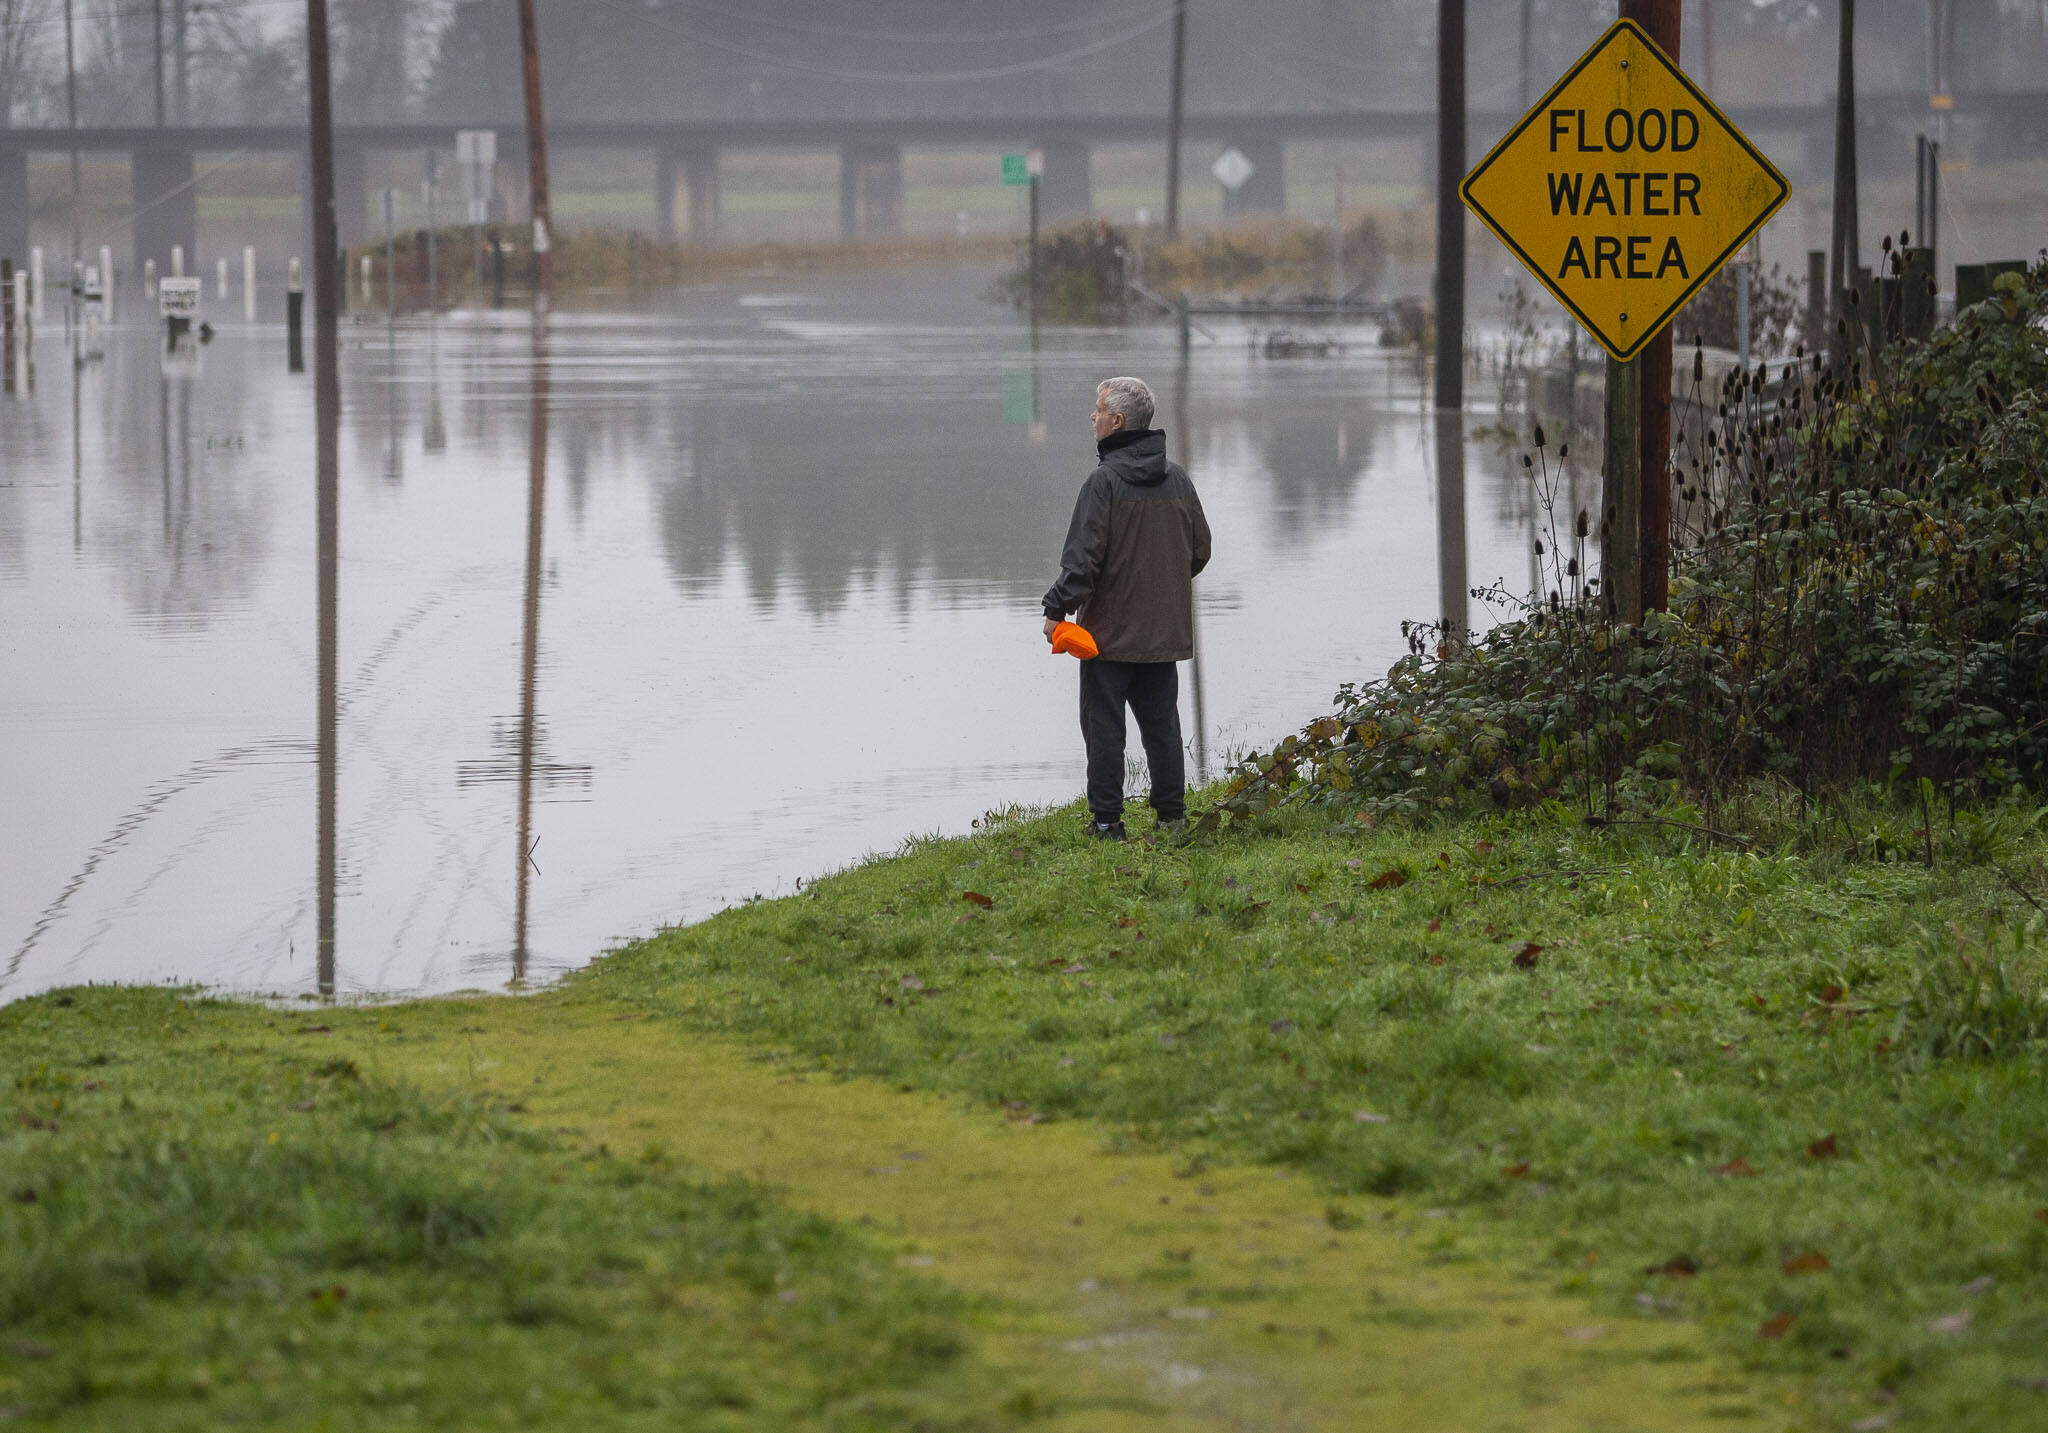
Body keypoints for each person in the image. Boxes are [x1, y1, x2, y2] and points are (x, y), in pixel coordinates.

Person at [1042, 377, 1211, 840]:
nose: (1092, 417)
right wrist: (1159, 591)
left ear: (1117, 422)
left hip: (1108, 637)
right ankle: (1172, 819)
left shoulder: (1103, 483)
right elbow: (1200, 550)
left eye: (1098, 410)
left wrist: (1055, 610)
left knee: (1104, 731)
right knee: (1163, 727)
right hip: (1163, 633)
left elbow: (1082, 564)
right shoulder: (1178, 479)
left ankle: (1107, 823)